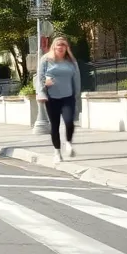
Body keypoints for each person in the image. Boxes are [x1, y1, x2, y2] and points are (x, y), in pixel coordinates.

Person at [36, 35, 83, 163]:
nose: (61, 47)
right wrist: (42, 90)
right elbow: (40, 78)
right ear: (54, 47)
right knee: (54, 125)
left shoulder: (71, 61)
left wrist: (77, 96)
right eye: (59, 45)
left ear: (67, 48)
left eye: (64, 45)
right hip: (52, 98)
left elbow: (76, 79)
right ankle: (57, 151)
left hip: (68, 97)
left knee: (69, 122)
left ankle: (68, 142)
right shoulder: (46, 60)